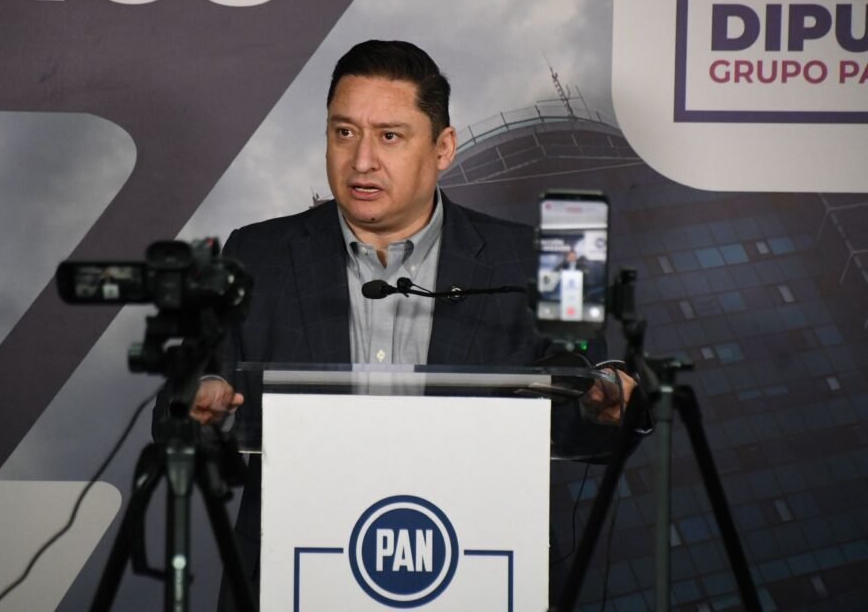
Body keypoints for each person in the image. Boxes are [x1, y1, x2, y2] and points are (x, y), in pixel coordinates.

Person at [179, 40, 641, 608]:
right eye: (344, 132)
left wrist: (603, 405)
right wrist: (203, 405)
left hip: (481, 574)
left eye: (389, 136)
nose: (361, 161)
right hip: (292, 576)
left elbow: (587, 416)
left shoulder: (544, 258)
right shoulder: (256, 253)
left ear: (443, 147)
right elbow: (185, 406)